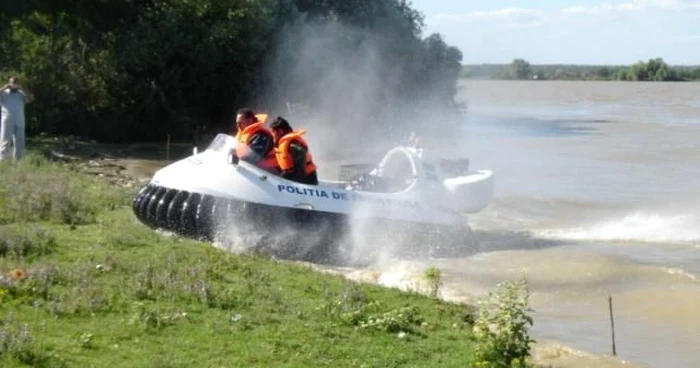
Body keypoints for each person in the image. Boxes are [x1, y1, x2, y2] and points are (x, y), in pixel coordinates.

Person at [270, 116, 318, 185]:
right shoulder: (280, 144)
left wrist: (295, 184)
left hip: (307, 179)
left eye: (273, 132)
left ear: (280, 131)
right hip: (292, 175)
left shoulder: (293, 144)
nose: (272, 135)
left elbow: (300, 170)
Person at [232, 107, 280, 173]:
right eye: (237, 123)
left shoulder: (262, 136)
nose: (238, 125)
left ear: (250, 120)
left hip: (269, 172)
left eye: (240, 123)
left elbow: (253, 157)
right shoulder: (242, 133)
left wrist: (236, 156)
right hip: (252, 169)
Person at [0, 77, 34, 162]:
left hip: (20, 121)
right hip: (7, 120)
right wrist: (5, 87)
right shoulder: (4, 93)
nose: (14, 85)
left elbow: (31, 98)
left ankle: (18, 161)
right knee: (5, 141)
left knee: (20, 143)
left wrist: (22, 88)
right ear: (9, 83)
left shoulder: (21, 93)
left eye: (16, 83)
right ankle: (3, 161)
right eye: (12, 83)